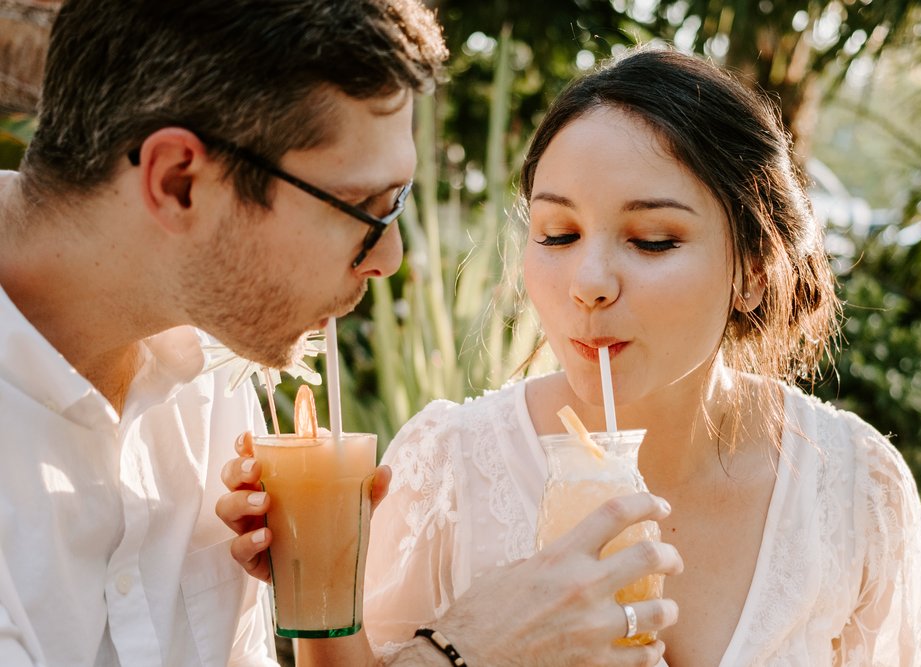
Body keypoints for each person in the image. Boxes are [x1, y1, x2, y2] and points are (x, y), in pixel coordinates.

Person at [221, 45, 921, 665]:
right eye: (557, 234)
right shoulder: (445, 468)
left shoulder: (849, 484)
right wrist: (316, 583)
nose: (589, 283)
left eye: (651, 240)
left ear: (755, 269)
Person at [0, 1, 680, 665]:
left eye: (398, 204)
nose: (388, 260)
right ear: (180, 182)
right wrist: (463, 651)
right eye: (362, 207)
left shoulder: (206, 367)